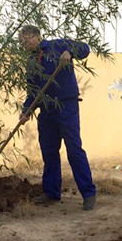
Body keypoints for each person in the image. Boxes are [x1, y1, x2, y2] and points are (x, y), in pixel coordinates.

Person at [17, 25, 97, 211]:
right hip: (46, 110)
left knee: (74, 149)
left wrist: (70, 52)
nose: (23, 44)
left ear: (35, 36)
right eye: (21, 42)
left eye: (25, 40)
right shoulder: (31, 62)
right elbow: (33, 92)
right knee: (49, 151)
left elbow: (84, 48)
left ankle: (88, 193)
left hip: (66, 106)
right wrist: (26, 111)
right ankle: (51, 192)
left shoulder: (57, 46)